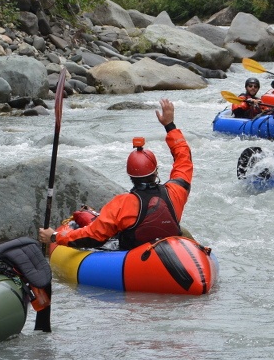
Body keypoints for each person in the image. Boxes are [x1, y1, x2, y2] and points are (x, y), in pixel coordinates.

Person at [38, 98, 192, 250]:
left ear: (130, 175)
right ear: (155, 171)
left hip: (134, 260)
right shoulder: (176, 191)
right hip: (170, 252)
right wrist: (170, 126)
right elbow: (184, 158)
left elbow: (92, 236)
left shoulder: (122, 204)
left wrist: (54, 236)